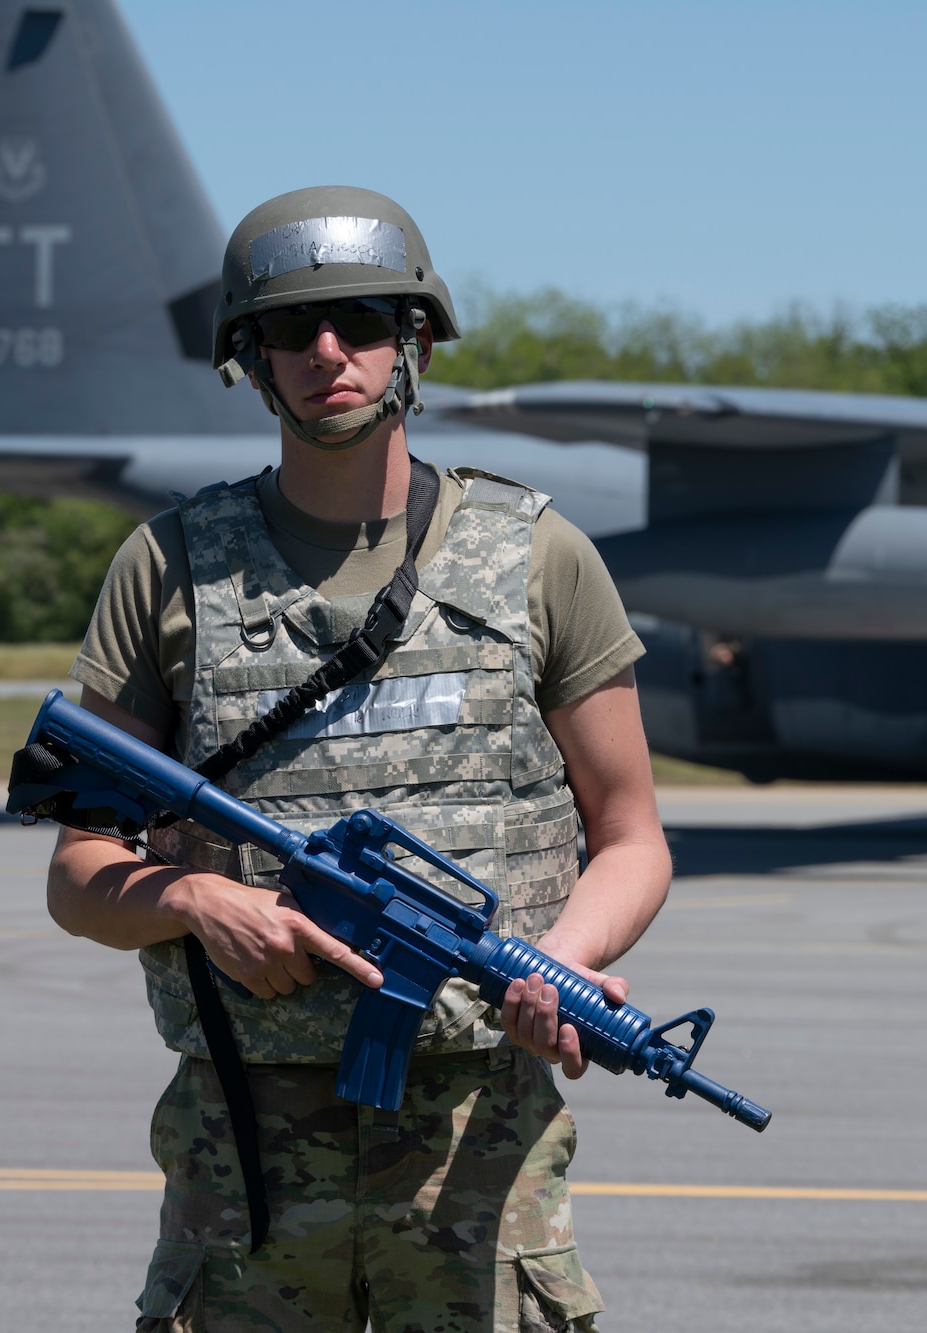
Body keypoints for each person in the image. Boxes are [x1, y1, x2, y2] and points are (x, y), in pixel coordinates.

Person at [45, 186, 671, 1332]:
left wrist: (559, 964)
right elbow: (77, 871)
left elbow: (630, 838)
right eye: (292, 329)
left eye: (365, 322)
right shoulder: (167, 568)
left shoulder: (539, 556)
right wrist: (194, 899)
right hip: (245, 1166)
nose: (329, 353)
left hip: (480, 1155)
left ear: (415, 341)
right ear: (250, 356)